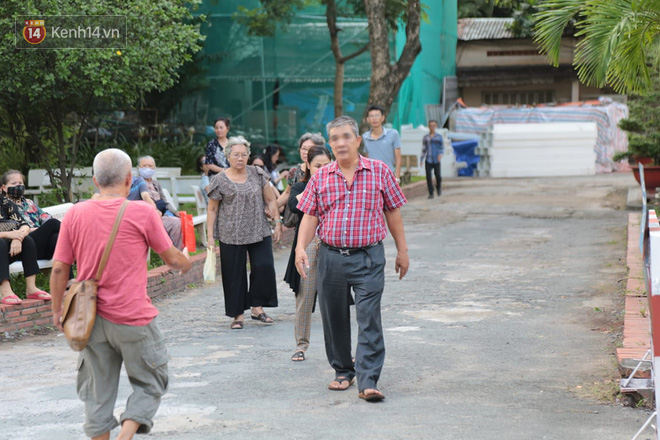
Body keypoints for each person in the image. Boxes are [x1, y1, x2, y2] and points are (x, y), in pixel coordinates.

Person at [50, 148, 192, 440]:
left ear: (94, 181)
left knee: (96, 393)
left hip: (89, 319)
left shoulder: (75, 213)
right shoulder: (141, 211)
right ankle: (124, 437)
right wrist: (187, 260)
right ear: (130, 180)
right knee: (151, 381)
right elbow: (173, 259)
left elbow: (59, 269)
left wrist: (56, 311)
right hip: (133, 318)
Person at [295, 115, 409, 402]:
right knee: (333, 317)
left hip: (369, 257)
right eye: (334, 138)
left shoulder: (379, 171)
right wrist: (299, 248)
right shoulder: (321, 176)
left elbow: (393, 211)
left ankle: (368, 379)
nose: (340, 143)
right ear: (330, 144)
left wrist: (402, 250)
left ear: (358, 140)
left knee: (368, 316)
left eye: (346, 136)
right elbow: (310, 215)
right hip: (331, 257)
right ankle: (343, 371)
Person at [206, 136, 281, 330]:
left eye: (244, 154)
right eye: (236, 155)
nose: (240, 158)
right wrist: (210, 238)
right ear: (228, 156)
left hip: (259, 228)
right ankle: (237, 314)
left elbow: (271, 199)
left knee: (264, 266)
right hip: (231, 233)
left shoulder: (257, 173)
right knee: (233, 274)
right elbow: (212, 209)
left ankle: (257, 307)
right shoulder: (219, 180)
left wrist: (277, 221)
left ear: (248, 155)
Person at [284, 144, 332, 362]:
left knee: (335, 298)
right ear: (308, 167)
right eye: (317, 166)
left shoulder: (339, 185)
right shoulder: (299, 187)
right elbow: (295, 206)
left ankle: (340, 349)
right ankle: (301, 345)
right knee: (305, 295)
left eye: (326, 165)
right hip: (309, 244)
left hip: (334, 243)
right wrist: (312, 185)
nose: (322, 169)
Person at [2, 170, 74, 283]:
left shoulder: (29, 203)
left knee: (57, 237)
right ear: (4, 187)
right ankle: (81, 243)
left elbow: (46, 218)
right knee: (54, 224)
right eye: (14, 183)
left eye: (20, 183)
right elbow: (13, 230)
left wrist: (43, 230)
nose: (18, 186)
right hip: (22, 247)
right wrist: (38, 229)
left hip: (40, 247)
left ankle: (68, 281)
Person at [0, 191, 48, 305]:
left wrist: (18, 238)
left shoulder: (5, 203)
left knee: (28, 241)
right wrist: (8, 235)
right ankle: (5, 290)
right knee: (0, 243)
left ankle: (31, 288)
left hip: (9, 249)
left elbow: (24, 225)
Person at [135, 156, 183, 250]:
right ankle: (175, 254)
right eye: (144, 166)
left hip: (162, 212)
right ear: (138, 168)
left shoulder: (155, 183)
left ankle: (176, 252)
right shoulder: (136, 182)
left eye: (150, 166)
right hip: (149, 216)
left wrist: (175, 212)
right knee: (176, 223)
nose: (147, 168)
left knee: (180, 220)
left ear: (154, 168)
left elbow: (165, 201)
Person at [362, 105, 402, 183]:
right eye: (371, 116)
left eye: (377, 115)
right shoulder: (365, 137)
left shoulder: (393, 134)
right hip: (373, 178)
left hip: (389, 176)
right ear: (368, 119)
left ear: (382, 118)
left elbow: (398, 157)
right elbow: (367, 158)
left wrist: (397, 177)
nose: (374, 118)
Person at [420, 120, 444, 199]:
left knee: (438, 176)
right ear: (428, 127)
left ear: (436, 126)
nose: (432, 127)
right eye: (430, 125)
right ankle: (431, 193)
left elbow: (442, 147)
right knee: (428, 177)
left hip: (436, 159)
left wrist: (440, 154)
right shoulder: (426, 138)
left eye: (433, 125)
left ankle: (439, 187)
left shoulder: (439, 137)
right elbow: (424, 149)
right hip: (428, 159)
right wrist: (421, 159)